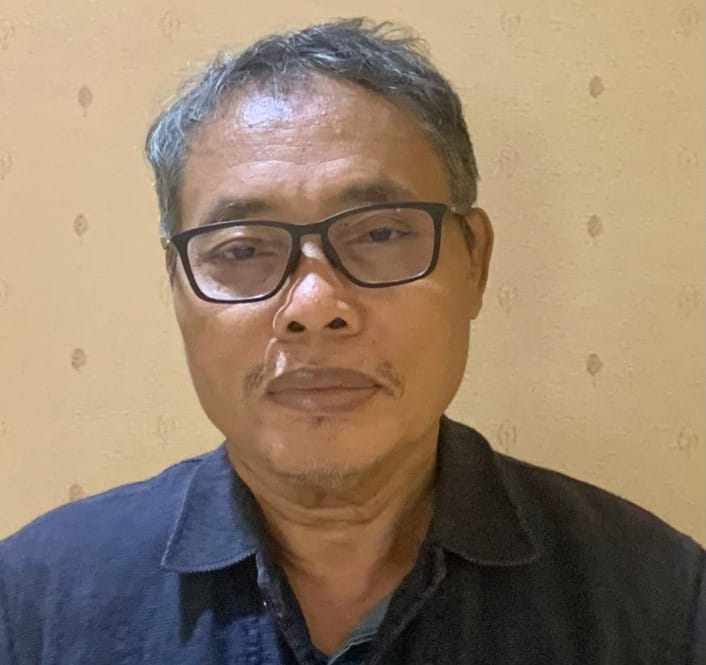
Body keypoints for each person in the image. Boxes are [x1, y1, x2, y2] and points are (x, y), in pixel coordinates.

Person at [0, 17, 703, 665]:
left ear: (475, 263)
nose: (314, 307)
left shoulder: (660, 600)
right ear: (177, 285)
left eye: (381, 233)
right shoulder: (35, 604)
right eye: (242, 249)